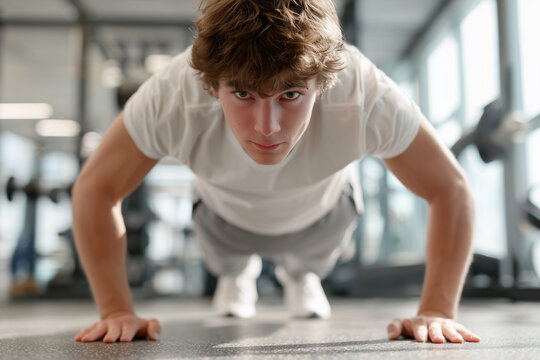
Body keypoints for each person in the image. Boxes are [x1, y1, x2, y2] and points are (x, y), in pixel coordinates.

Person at [72, 0, 480, 344]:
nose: (267, 127)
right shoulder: (173, 95)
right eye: (243, 93)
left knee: (310, 264)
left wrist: (436, 311)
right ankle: (238, 274)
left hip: (321, 218)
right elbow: (96, 188)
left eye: (291, 94)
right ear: (212, 86)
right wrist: (116, 311)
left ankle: (302, 277)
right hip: (222, 221)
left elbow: (450, 188)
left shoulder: (363, 93)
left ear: (322, 85)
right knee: (228, 263)